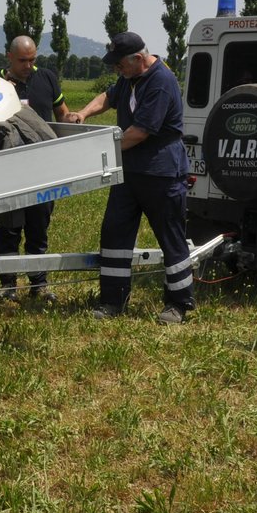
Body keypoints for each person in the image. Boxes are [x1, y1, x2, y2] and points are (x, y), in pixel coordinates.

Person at [67, 31, 193, 323]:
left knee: (170, 237)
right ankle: (113, 301)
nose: (116, 69)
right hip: (129, 172)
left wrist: (96, 151)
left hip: (161, 173)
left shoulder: (161, 82)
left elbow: (139, 132)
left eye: (120, 64)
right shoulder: (129, 77)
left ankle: (179, 304)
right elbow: (108, 97)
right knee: (114, 232)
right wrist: (83, 113)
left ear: (138, 58)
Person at [0, 34, 67, 301]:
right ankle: (7, 285)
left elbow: (62, 113)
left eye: (32, 59)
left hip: (43, 167)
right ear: (9, 57)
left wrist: (74, 120)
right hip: (10, 167)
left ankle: (39, 284)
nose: (28, 65)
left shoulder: (46, 78)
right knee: (9, 228)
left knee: (39, 226)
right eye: (23, 60)